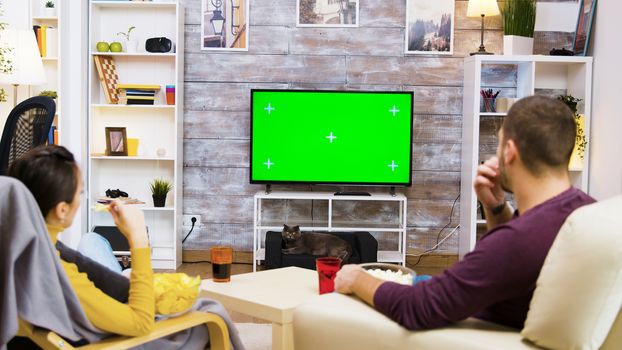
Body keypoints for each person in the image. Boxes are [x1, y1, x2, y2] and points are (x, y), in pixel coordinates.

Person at [334, 95, 596, 330]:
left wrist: (357, 277)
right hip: (488, 302)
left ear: (510, 151)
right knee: (419, 278)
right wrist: (495, 208)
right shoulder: (586, 209)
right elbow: (508, 265)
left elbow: (417, 308)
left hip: (463, 320)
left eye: (499, 143)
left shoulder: (519, 241)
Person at [8, 145, 155, 336]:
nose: (80, 199)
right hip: (125, 319)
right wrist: (138, 238)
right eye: (80, 192)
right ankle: (127, 274)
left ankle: (126, 274)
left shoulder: (18, 244)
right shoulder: (57, 275)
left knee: (90, 239)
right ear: (62, 210)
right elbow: (141, 324)